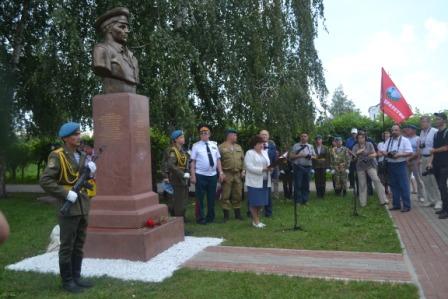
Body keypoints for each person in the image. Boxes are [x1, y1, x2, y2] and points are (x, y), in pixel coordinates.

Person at [39, 122, 96, 293]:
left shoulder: (81, 154)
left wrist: (91, 171)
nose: (78, 137)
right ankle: (67, 281)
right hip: (68, 205)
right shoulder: (57, 156)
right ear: (65, 138)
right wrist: (65, 193)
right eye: (74, 134)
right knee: (67, 245)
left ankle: (76, 277)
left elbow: (82, 176)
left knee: (79, 243)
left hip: (83, 204)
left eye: (79, 133)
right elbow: (45, 180)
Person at [93, 7, 139, 93]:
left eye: (127, 27)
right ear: (108, 28)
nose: (127, 31)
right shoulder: (101, 50)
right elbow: (100, 67)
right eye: (122, 27)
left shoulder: (132, 57)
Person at [190, 125, 224, 224]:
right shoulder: (196, 146)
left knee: (211, 198)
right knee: (200, 198)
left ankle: (210, 217)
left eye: (206, 133)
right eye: (201, 133)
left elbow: (218, 160)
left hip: (212, 175)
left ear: (209, 134)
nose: (204, 134)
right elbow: (193, 162)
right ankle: (200, 218)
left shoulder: (214, 144)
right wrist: (193, 175)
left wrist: (220, 172)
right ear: (200, 135)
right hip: (200, 175)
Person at [352, 132, 388, 207]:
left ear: (365, 138)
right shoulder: (355, 146)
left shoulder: (369, 144)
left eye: (362, 137)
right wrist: (357, 153)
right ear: (357, 139)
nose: (360, 139)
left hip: (370, 165)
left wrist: (370, 155)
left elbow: (375, 154)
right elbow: (353, 158)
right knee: (362, 184)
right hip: (360, 166)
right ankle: (363, 203)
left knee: (376, 180)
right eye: (359, 138)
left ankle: (383, 200)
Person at [244, 135, 272, 228]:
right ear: (254, 144)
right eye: (259, 143)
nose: (262, 145)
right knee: (254, 202)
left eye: (263, 144)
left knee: (261, 202)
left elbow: (268, 164)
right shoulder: (249, 153)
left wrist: (270, 168)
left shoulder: (264, 153)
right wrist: (263, 169)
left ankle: (256, 220)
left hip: (264, 181)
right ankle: (256, 222)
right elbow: (249, 167)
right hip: (254, 182)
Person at [162, 130, 190, 220]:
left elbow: (185, 164)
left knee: (183, 199)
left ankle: (181, 217)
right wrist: (182, 174)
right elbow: (170, 165)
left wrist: (187, 172)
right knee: (178, 200)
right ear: (176, 139)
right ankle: (178, 219)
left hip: (182, 178)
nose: (183, 138)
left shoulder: (182, 151)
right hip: (175, 178)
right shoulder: (172, 151)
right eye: (181, 137)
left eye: (183, 137)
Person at [385, 124, 413, 212]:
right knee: (393, 186)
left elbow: (410, 152)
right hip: (390, 164)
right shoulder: (389, 140)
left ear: (400, 131)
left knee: (403, 185)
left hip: (401, 164)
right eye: (392, 130)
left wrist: (399, 155)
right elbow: (382, 150)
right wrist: (388, 154)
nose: (394, 132)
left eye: (396, 130)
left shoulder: (405, 140)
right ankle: (396, 205)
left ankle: (407, 206)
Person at [219, 128, 245, 221]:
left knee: (238, 194)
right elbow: (218, 161)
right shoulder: (221, 147)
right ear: (230, 136)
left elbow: (243, 160)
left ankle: (237, 214)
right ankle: (226, 216)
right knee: (225, 195)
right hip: (227, 174)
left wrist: (243, 170)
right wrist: (221, 173)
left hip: (237, 174)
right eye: (235, 135)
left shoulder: (239, 147)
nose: (236, 137)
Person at [427, 112, 448, 219]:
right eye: (436, 119)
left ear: (444, 120)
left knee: (443, 186)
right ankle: (444, 208)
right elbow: (433, 151)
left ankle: (446, 210)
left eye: (438, 119)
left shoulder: (447, 132)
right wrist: (430, 162)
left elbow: (446, 147)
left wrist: (434, 150)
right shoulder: (436, 134)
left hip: (445, 164)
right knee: (441, 187)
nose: (436, 121)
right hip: (436, 164)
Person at [419, 116, 441, 209]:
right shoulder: (421, 132)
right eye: (421, 122)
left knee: (434, 180)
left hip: (432, 158)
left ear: (429, 122)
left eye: (424, 122)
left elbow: (435, 147)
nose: (422, 124)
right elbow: (421, 145)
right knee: (426, 180)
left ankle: (439, 201)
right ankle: (431, 200)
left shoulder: (434, 131)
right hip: (423, 157)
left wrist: (432, 161)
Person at [289, 133, 316, 204]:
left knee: (306, 184)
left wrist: (309, 156)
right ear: (300, 137)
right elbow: (291, 156)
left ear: (308, 137)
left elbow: (315, 156)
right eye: (302, 136)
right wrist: (300, 155)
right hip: (298, 167)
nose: (303, 137)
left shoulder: (310, 146)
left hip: (308, 167)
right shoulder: (295, 146)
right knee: (298, 184)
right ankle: (298, 200)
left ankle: (305, 200)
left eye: (305, 136)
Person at [403, 124, 426, 203]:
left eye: (409, 129)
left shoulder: (418, 139)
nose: (407, 130)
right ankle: (407, 196)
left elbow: (419, 151)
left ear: (414, 130)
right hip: (406, 161)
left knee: (418, 179)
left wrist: (411, 158)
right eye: (407, 129)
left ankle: (421, 196)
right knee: (406, 179)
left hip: (415, 161)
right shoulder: (405, 139)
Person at [259, 130, 277, 217]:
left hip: (269, 172)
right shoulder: (255, 146)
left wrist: (273, 168)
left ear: (268, 136)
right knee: (257, 192)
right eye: (262, 134)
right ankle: (253, 212)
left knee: (268, 193)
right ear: (259, 136)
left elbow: (274, 159)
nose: (264, 136)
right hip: (258, 172)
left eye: (266, 134)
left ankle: (268, 212)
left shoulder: (272, 146)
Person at [377, 130, 391, 197]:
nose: (386, 136)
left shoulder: (391, 143)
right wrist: (386, 153)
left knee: (388, 176)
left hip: (389, 162)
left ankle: (387, 188)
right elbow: (379, 154)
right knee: (382, 176)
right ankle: (383, 189)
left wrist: (384, 152)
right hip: (381, 162)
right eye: (385, 135)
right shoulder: (380, 144)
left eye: (387, 135)